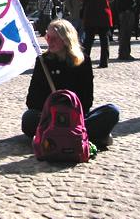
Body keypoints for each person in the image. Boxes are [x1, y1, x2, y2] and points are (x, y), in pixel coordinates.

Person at [21, 19, 120, 148]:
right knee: (29, 119)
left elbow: (86, 99)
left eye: (54, 38)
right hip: (50, 117)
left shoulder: (83, 61)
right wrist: (54, 107)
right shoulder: (43, 61)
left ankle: (57, 136)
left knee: (112, 111)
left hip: (75, 118)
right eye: (47, 37)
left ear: (66, 39)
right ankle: (84, 136)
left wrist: (69, 111)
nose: (49, 41)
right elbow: (32, 101)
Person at [81, 0, 114, 68]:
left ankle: (85, 62)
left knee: (88, 40)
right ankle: (104, 62)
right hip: (104, 14)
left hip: (91, 14)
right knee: (104, 39)